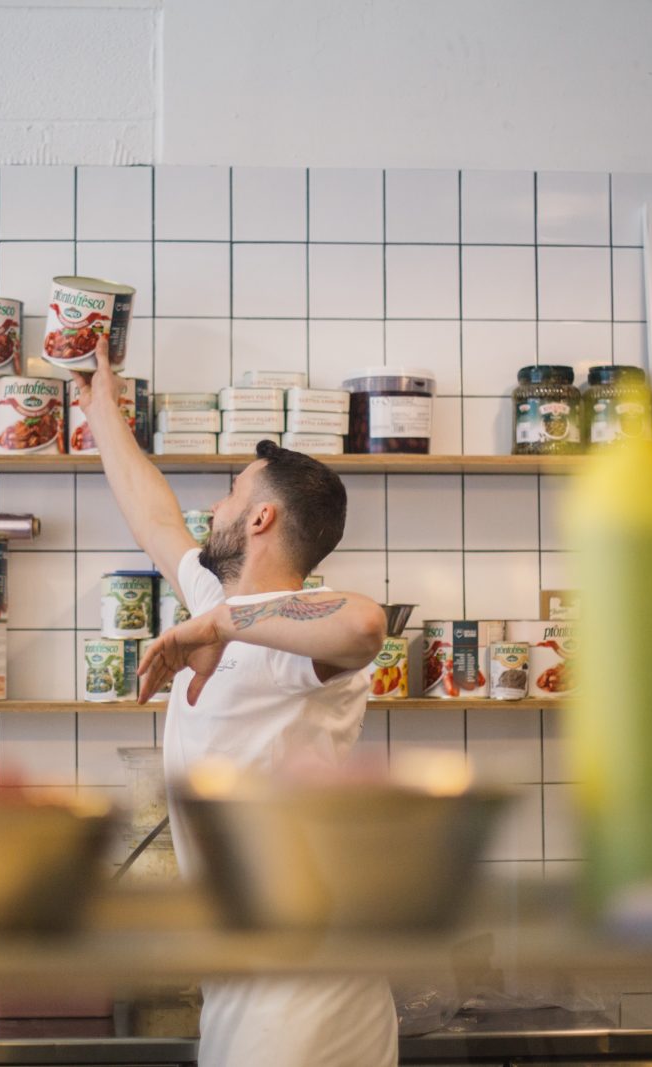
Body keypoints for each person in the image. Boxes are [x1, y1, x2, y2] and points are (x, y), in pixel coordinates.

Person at [71, 338, 397, 1067]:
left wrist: (216, 623)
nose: (211, 506)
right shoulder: (220, 596)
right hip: (244, 977)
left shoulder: (299, 631)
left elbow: (368, 623)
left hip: (311, 992)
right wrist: (103, 412)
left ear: (260, 520)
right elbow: (154, 518)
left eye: (230, 492)